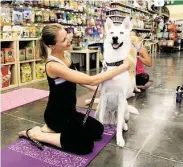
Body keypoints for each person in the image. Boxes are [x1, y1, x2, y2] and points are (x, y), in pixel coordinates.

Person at [18, 24, 130, 155]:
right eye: (64, 39)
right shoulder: (53, 65)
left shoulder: (66, 56)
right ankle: (36, 134)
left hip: (70, 111)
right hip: (57, 115)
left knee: (98, 130)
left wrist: (103, 89)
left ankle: (53, 130)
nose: (69, 40)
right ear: (52, 46)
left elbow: (83, 81)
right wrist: (122, 68)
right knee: (85, 145)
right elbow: (91, 79)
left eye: (67, 36)